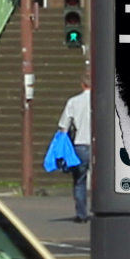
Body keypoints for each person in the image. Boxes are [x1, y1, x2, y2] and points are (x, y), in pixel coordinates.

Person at [56, 75, 94, 221]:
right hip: (100, 147)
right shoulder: (101, 99)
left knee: (79, 181)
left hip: (80, 145)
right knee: (103, 181)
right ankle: (102, 209)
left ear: (82, 85)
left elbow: (63, 126)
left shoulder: (73, 102)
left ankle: (82, 214)